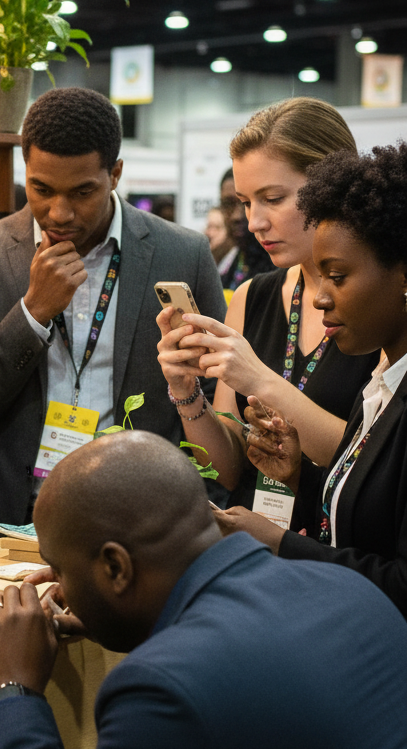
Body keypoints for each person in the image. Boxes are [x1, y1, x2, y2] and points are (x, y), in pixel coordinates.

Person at [0, 430, 407, 749]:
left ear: (116, 568)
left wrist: (15, 690)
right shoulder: (352, 592)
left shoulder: (170, 689)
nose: (58, 586)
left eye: (60, 570)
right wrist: (122, 619)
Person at [0, 87, 226, 550]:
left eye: (82, 192)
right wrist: (32, 313)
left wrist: (203, 518)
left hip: (144, 526)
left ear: (114, 174)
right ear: (25, 169)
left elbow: (217, 405)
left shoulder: (183, 254)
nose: (60, 213)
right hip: (14, 522)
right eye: (41, 189)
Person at [216, 141, 407, 618]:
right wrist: (299, 477)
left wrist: (281, 544)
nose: (320, 299)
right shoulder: (381, 386)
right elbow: (359, 524)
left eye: (337, 277)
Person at [156, 98, 377, 510]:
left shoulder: (380, 301)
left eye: (273, 198)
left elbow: (376, 463)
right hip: (255, 541)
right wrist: (185, 391)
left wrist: (259, 381)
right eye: (244, 201)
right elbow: (227, 468)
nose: (254, 221)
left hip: (341, 552)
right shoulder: (251, 297)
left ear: (331, 184)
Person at [218, 165, 270, 287]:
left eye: (246, 203)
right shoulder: (223, 259)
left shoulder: (282, 264)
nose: (237, 216)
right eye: (228, 204)